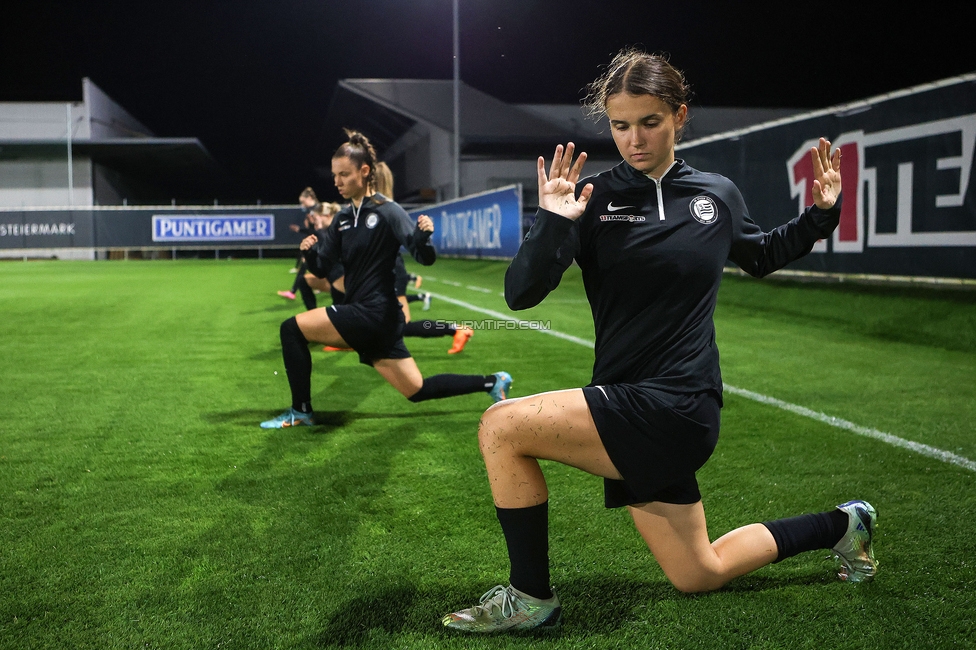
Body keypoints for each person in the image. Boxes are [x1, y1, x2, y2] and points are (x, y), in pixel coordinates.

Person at [442, 48, 876, 634]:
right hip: (623, 396)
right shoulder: (589, 200)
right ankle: (844, 525)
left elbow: (764, 254)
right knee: (700, 572)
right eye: (620, 125)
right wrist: (553, 221)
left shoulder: (715, 194)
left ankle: (530, 598)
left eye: (649, 122)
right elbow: (521, 294)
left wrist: (822, 213)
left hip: (681, 402)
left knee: (501, 426)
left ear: (678, 115)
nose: (634, 139)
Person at [261, 129, 512, 429]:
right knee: (416, 390)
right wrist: (311, 253)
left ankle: (301, 411)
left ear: (364, 172)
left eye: (344, 174)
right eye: (334, 175)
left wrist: (423, 238)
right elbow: (321, 267)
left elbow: (424, 256)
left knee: (291, 329)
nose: (337, 182)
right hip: (374, 318)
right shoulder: (342, 219)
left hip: (373, 312)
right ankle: (492, 382)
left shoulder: (387, 211)